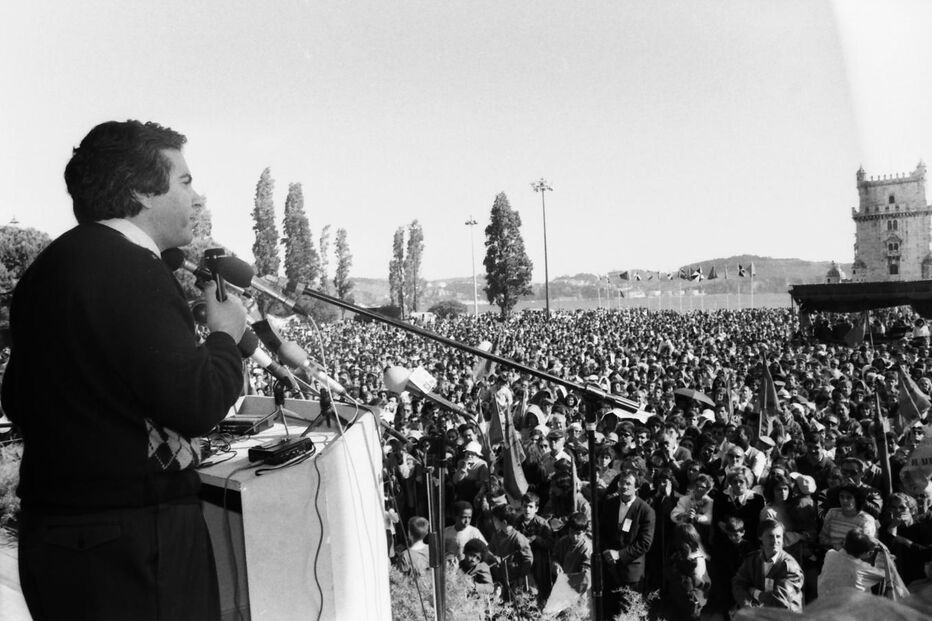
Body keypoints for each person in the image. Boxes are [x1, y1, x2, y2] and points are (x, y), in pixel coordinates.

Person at [1, 120, 247, 621]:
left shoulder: (47, 269)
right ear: (141, 190)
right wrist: (225, 334)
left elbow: (17, 398)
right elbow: (197, 402)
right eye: (184, 181)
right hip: (133, 545)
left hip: (58, 536)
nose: (196, 197)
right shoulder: (133, 268)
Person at [598, 471, 655, 617]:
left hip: (631, 572)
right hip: (610, 569)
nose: (624, 486)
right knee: (609, 613)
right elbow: (601, 532)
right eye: (621, 482)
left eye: (628, 483)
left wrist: (619, 555)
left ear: (636, 487)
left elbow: (644, 543)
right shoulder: (609, 504)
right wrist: (606, 552)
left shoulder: (645, 510)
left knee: (628, 613)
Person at [732, 518, 804, 613]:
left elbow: (779, 603)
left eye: (778, 536)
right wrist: (748, 606)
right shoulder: (752, 559)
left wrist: (754, 592)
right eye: (770, 536)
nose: (775, 540)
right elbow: (738, 584)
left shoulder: (790, 567)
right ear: (760, 537)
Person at [817, 528, 886, 595]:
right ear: (863, 553)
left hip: (824, 600)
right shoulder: (861, 569)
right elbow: (884, 572)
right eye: (870, 552)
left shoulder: (830, 554)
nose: (872, 553)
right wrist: (883, 550)